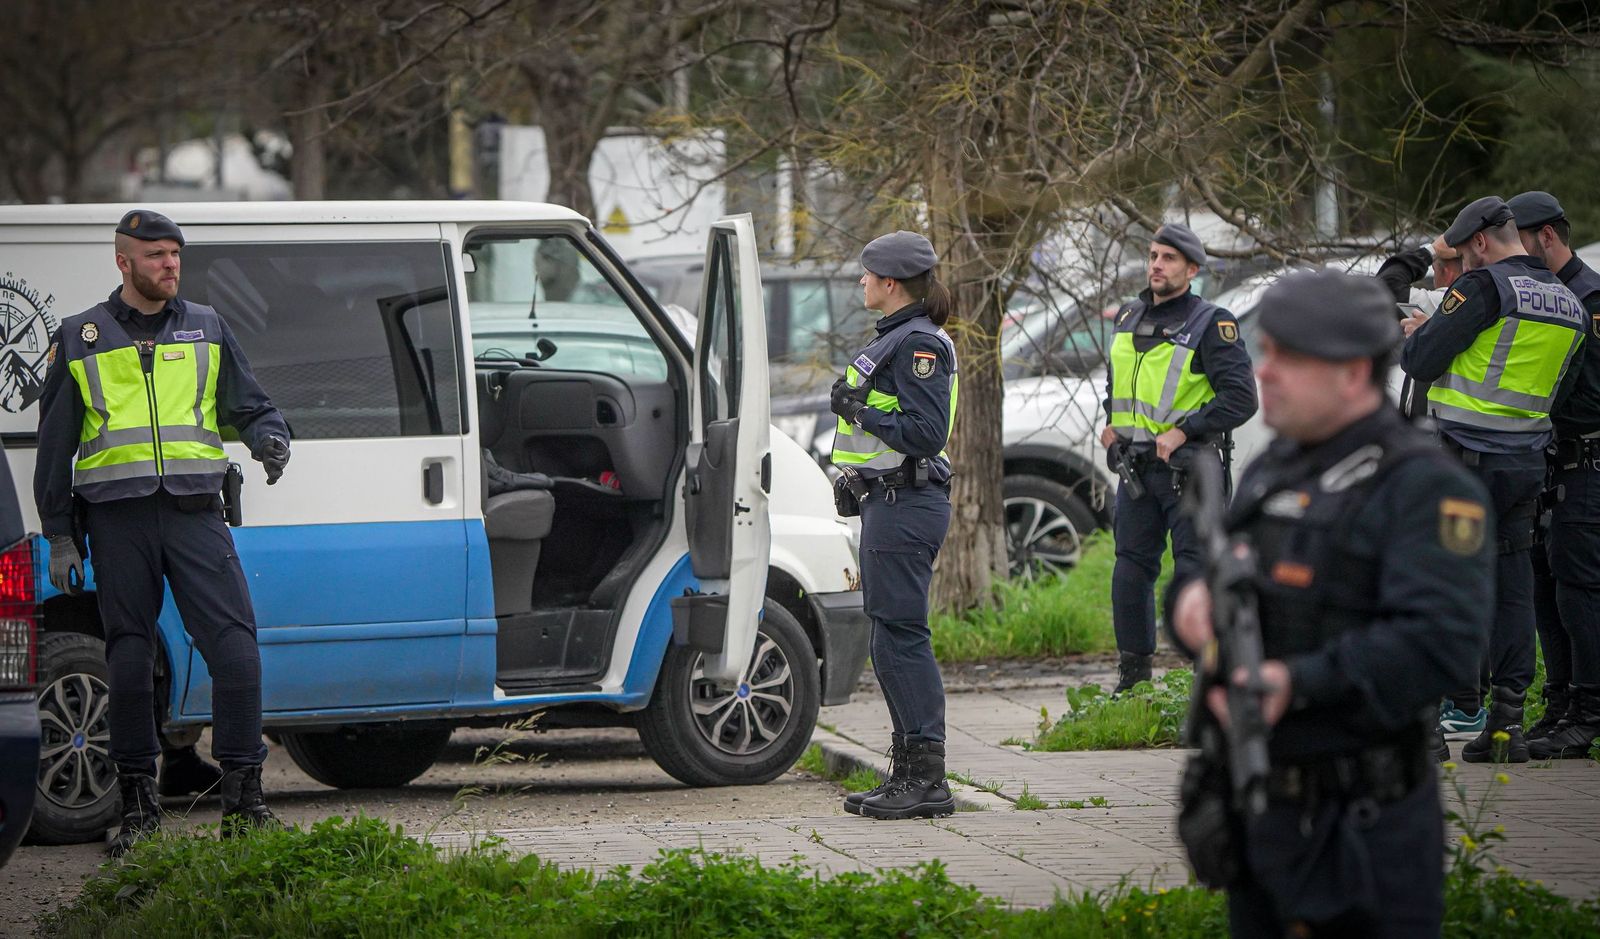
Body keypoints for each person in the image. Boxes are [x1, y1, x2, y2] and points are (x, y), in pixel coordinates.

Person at [1172, 270, 1493, 937]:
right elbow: (1229, 586)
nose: (1267, 371)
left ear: (1352, 373)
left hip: (1363, 833)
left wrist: (1299, 683)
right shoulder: (1277, 466)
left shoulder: (1424, 487)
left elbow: (1442, 643)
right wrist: (1189, 605)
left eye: (1289, 356)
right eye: (1268, 353)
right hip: (1263, 821)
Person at [34, 209, 293, 855]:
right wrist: (61, 534)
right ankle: (140, 807)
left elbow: (250, 403)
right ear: (123, 262)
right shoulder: (80, 337)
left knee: (236, 648)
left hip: (194, 514)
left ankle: (244, 800)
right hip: (118, 521)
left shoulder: (207, 327)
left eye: (175, 254)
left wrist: (268, 436)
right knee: (128, 657)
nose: (170, 265)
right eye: (156, 256)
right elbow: (54, 448)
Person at [1400, 195, 1586, 763]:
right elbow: (1564, 386)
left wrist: (1418, 333)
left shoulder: (1483, 288)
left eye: (1463, 252)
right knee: (1512, 592)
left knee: (1435, 582)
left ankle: (1429, 727)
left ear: (1480, 242)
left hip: (1462, 466)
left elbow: (1420, 362)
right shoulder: (1569, 302)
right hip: (1524, 467)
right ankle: (1506, 727)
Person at [829, 230, 957, 820]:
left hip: (908, 505)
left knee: (901, 636)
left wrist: (858, 407)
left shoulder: (917, 345)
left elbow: (926, 433)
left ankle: (927, 779)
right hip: (889, 503)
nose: (861, 282)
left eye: (867, 274)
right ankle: (908, 769)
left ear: (891, 284)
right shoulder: (896, 340)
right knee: (888, 634)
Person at [1101, 222, 1257, 694]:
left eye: (1168, 259)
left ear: (1191, 269)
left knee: (1194, 574)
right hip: (1135, 470)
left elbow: (1241, 399)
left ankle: (1204, 678)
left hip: (1189, 470)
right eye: (1152, 256)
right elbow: (1118, 386)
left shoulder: (1212, 323)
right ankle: (1134, 680)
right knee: (1130, 571)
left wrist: (1185, 430)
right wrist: (1111, 427)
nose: (1156, 266)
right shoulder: (1126, 318)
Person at [1508, 190, 1600, 759]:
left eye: (1517, 238)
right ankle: (1563, 701)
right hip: (1548, 463)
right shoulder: (1544, 299)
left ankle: (1591, 708)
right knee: (1547, 584)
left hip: (1585, 460)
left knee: (1579, 590)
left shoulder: (1590, 298)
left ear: (1546, 235)